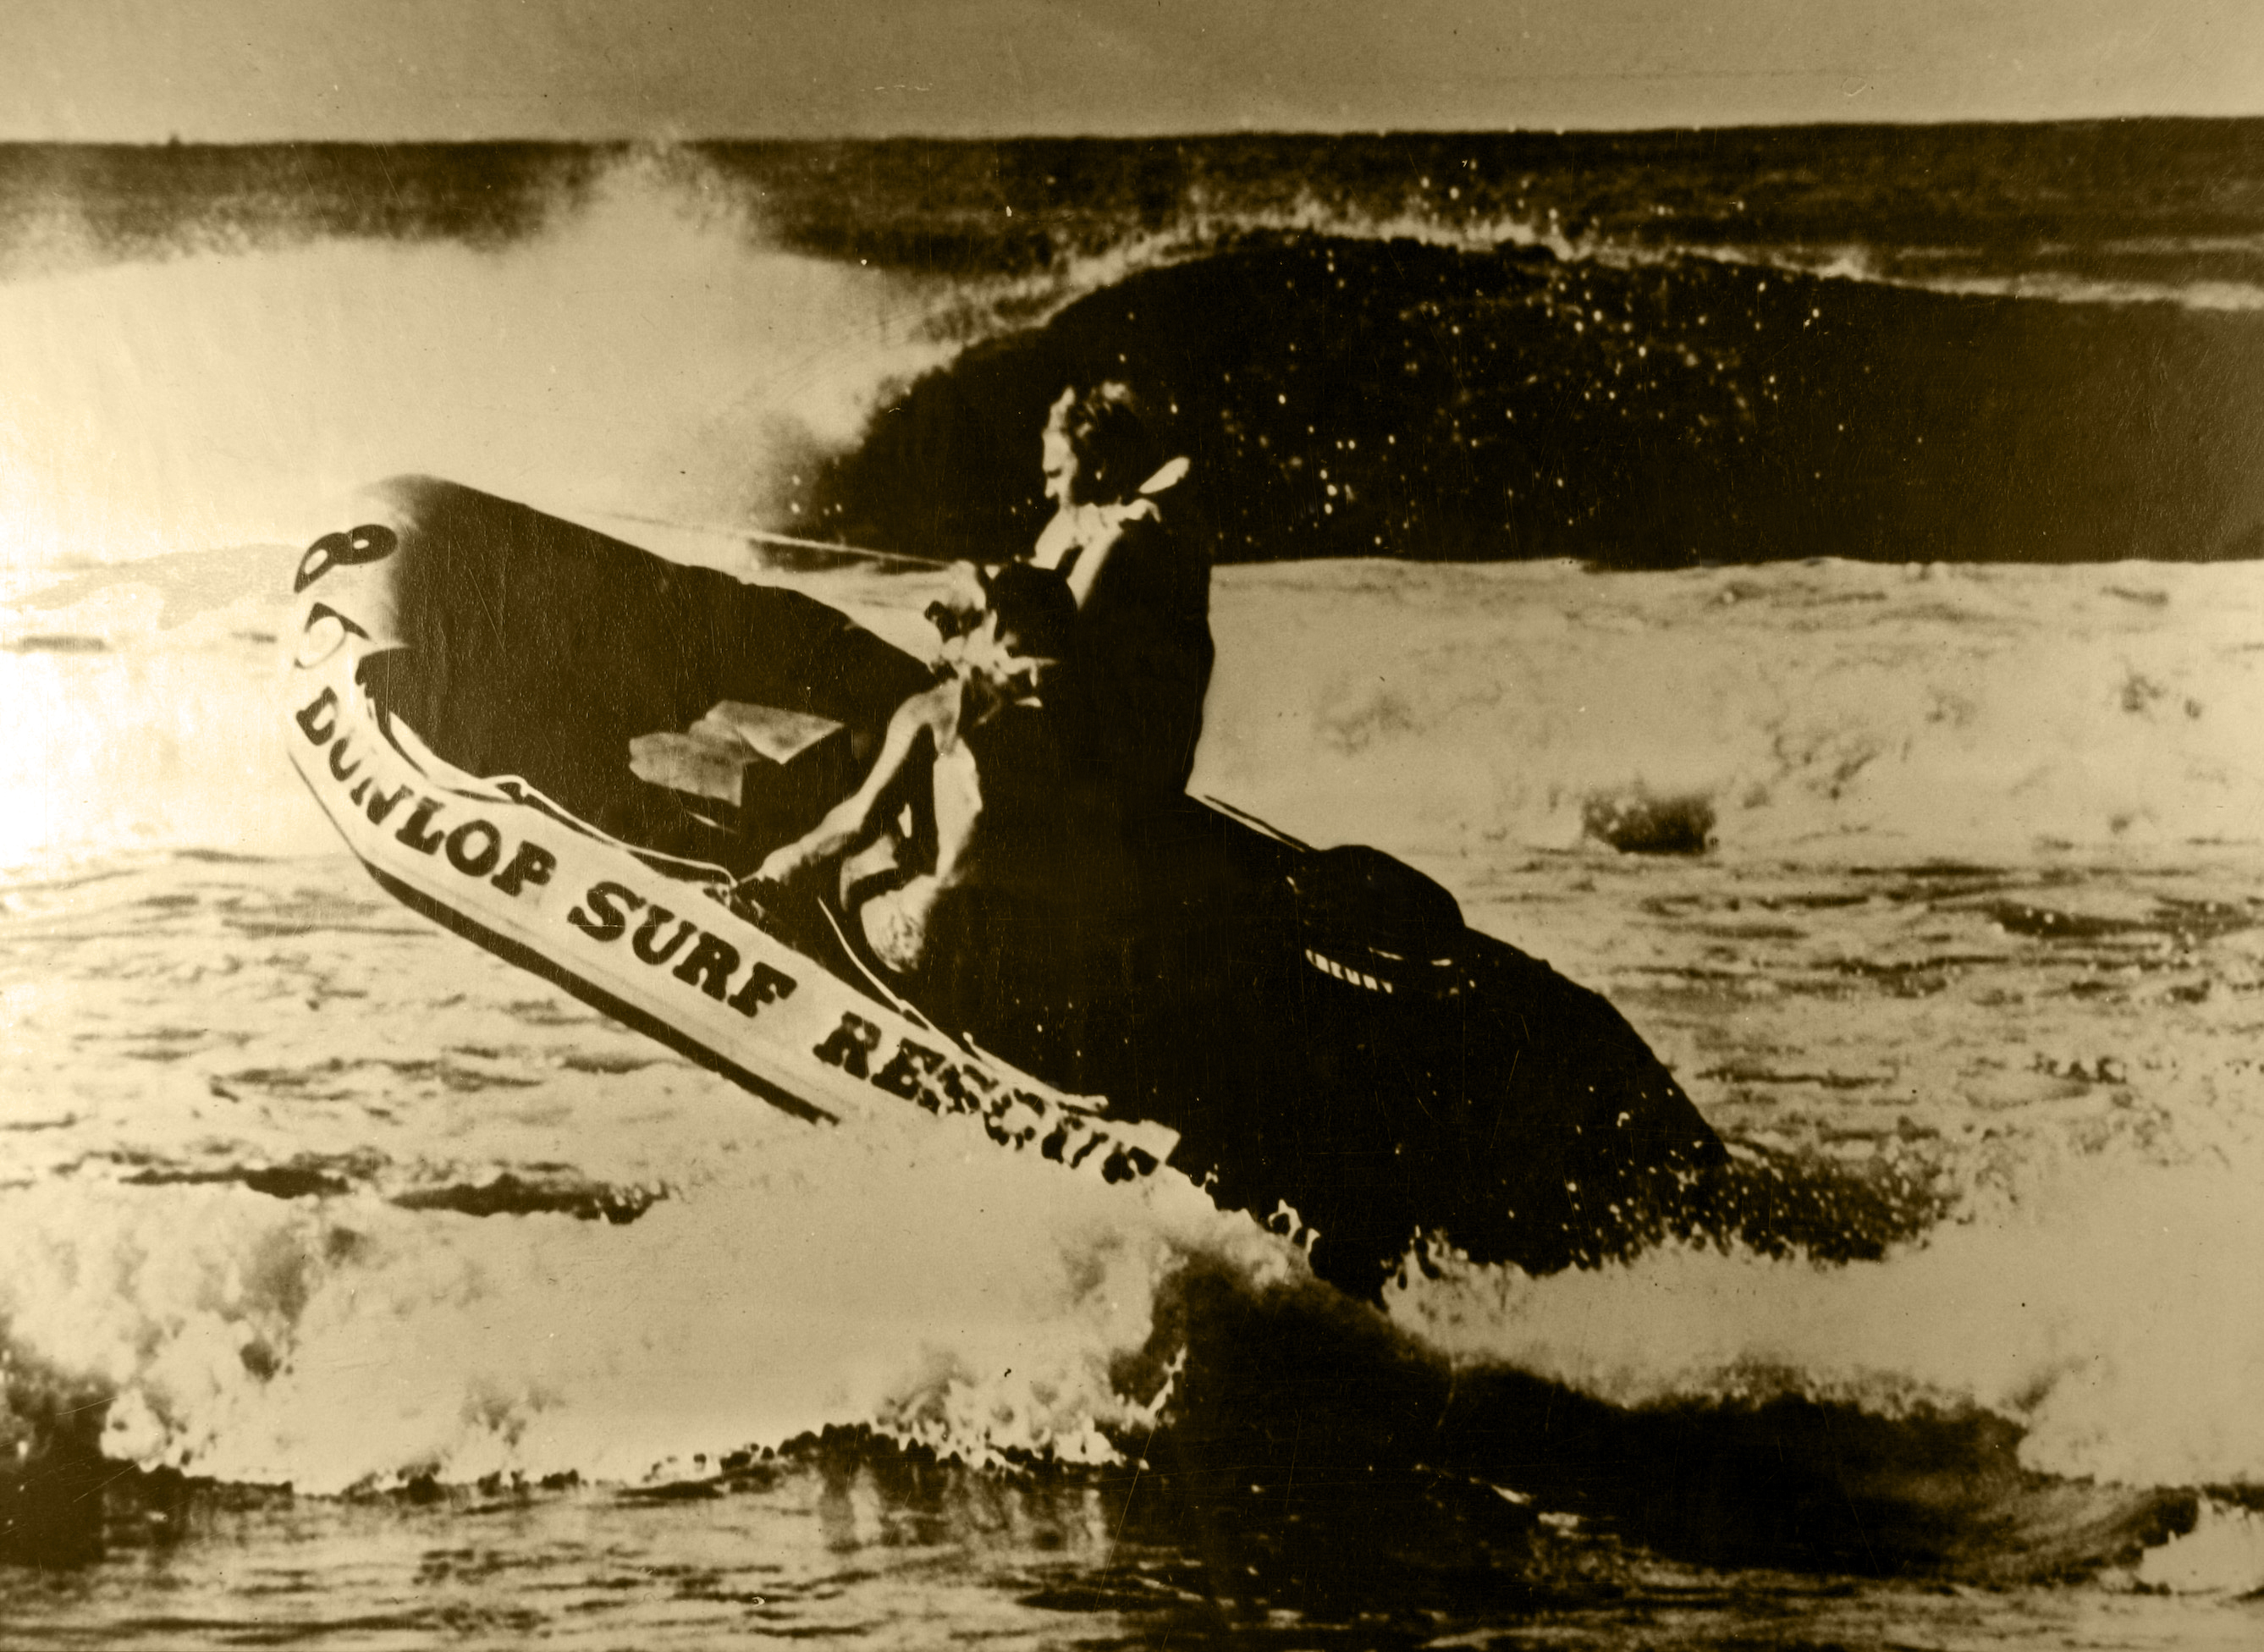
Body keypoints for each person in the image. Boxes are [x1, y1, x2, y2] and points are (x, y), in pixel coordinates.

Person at [749, 561, 1082, 983]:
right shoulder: (1049, 702)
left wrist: (788, 861)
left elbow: (857, 819)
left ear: (995, 623)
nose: (1036, 679)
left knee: (860, 828)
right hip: (1007, 932)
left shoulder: (937, 713)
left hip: (921, 932)